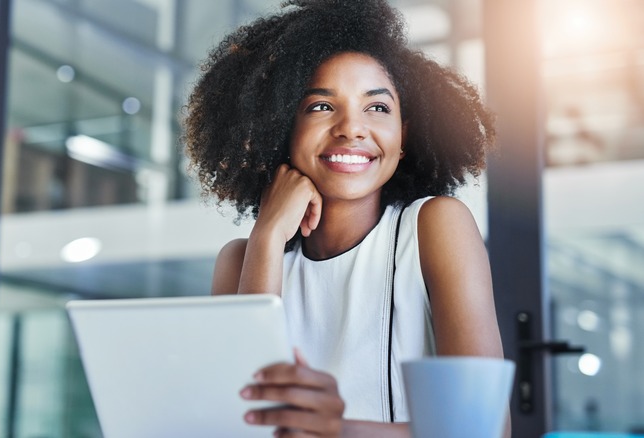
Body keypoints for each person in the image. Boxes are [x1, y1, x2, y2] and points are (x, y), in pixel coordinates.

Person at [183, 0, 505, 436]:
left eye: (377, 108)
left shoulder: (434, 226)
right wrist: (267, 237)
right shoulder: (242, 259)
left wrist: (340, 430)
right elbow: (243, 423)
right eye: (321, 107)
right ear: (279, 128)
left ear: (404, 135)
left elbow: (485, 427)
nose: (352, 128)